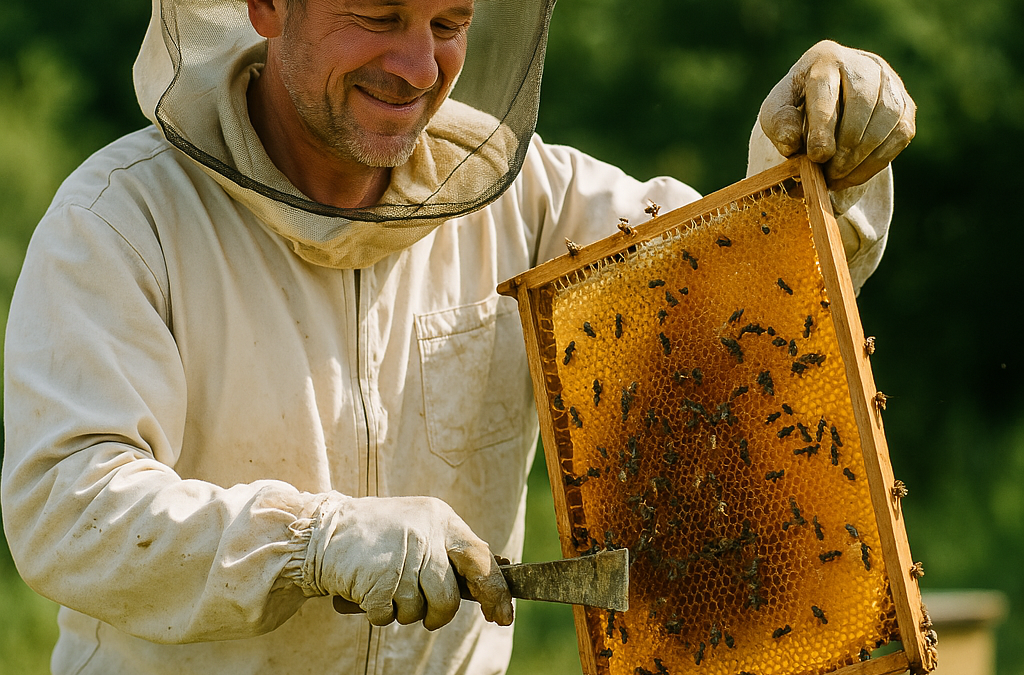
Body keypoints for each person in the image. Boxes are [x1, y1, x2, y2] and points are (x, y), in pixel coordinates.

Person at [0, 0, 914, 672]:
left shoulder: (530, 198)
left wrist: (820, 164)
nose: (417, 64)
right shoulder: (122, 221)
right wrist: (313, 542)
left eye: (448, 22)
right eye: (377, 15)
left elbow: (743, 315)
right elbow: (66, 506)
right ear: (268, 7)